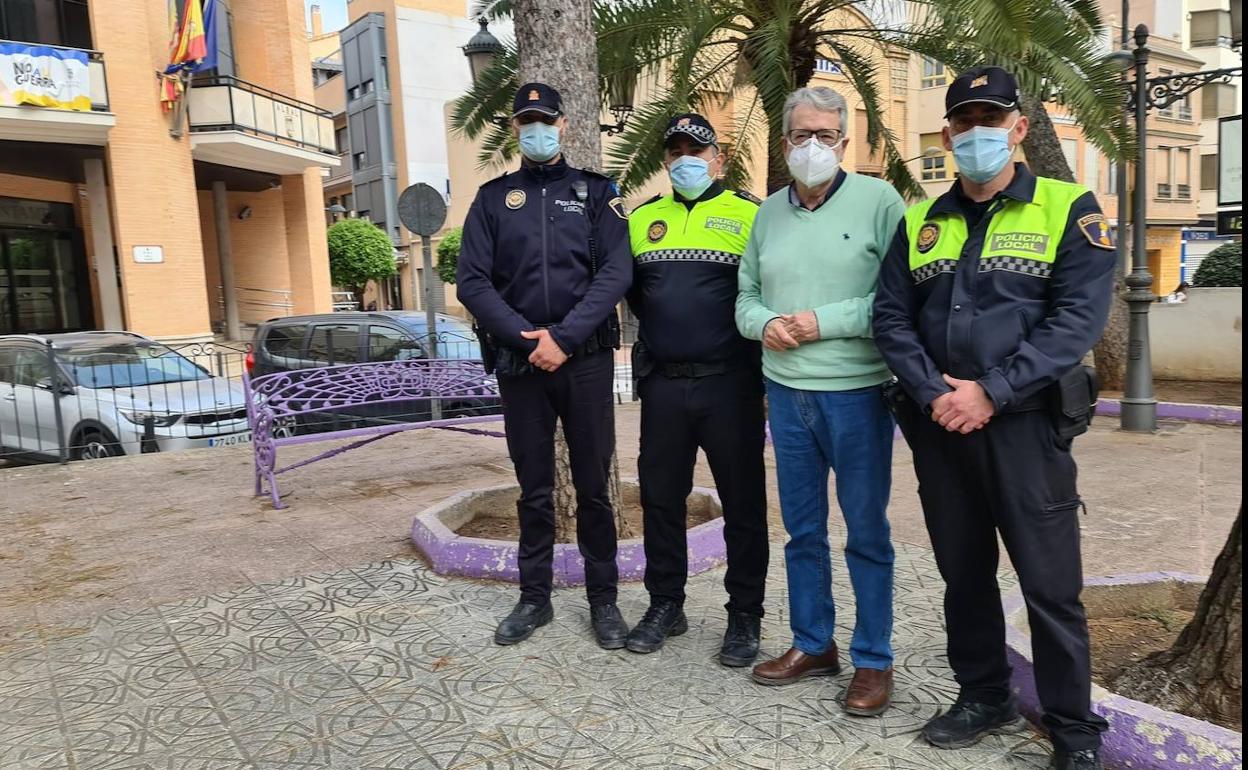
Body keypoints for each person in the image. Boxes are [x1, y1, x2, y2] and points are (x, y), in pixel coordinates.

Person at [873, 66, 1115, 770]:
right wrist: (934, 394)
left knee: (1049, 585)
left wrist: (991, 391)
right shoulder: (920, 221)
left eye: (992, 118)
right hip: (941, 428)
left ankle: (1073, 730)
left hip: (1027, 429)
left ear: (1019, 127)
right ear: (946, 133)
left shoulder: (1069, 209)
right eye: (964, 120)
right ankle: (983, 694)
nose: (977, 131)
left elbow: (1076, 322)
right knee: (964, 573)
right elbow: (891, 317)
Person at [735, 86, 905, 716]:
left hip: (858, 395)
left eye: (826, 136)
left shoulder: (880, 202)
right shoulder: (767, 213)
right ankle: (813, 643)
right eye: (801, 136)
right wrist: (764, 325)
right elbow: (745, 296)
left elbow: (897, 298)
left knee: (866, 533)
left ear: (844, 141)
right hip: (786, 395)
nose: (813, 146)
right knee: (801, 532)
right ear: (784, 144)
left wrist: (818, 321)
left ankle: (873, 660)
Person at [456, 82, 632, 650]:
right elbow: (472, 282)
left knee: (594, 488)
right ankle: (535, 599)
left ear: (563, 127)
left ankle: (603, 601)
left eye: (546, 121)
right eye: (526, 121)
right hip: (521, 364)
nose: (537, 129)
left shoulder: (597, 194)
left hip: (584, 361)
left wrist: (565, 336)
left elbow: (615, 274)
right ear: (515, 129)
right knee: (533, 489)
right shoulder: (491, 200)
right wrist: (526, 338)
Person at [624, 113, 769, 666]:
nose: (686, 157)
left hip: (729, 385)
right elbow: (639, 296)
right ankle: (666, 604)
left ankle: (745, 615)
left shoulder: (749, 214)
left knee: (744, 504)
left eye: (697, 149)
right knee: (661, 499)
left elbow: (764, 288)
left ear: (719, 159)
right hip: (664, 386)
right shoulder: (643, 219)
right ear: (665, 158)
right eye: (676, 149)